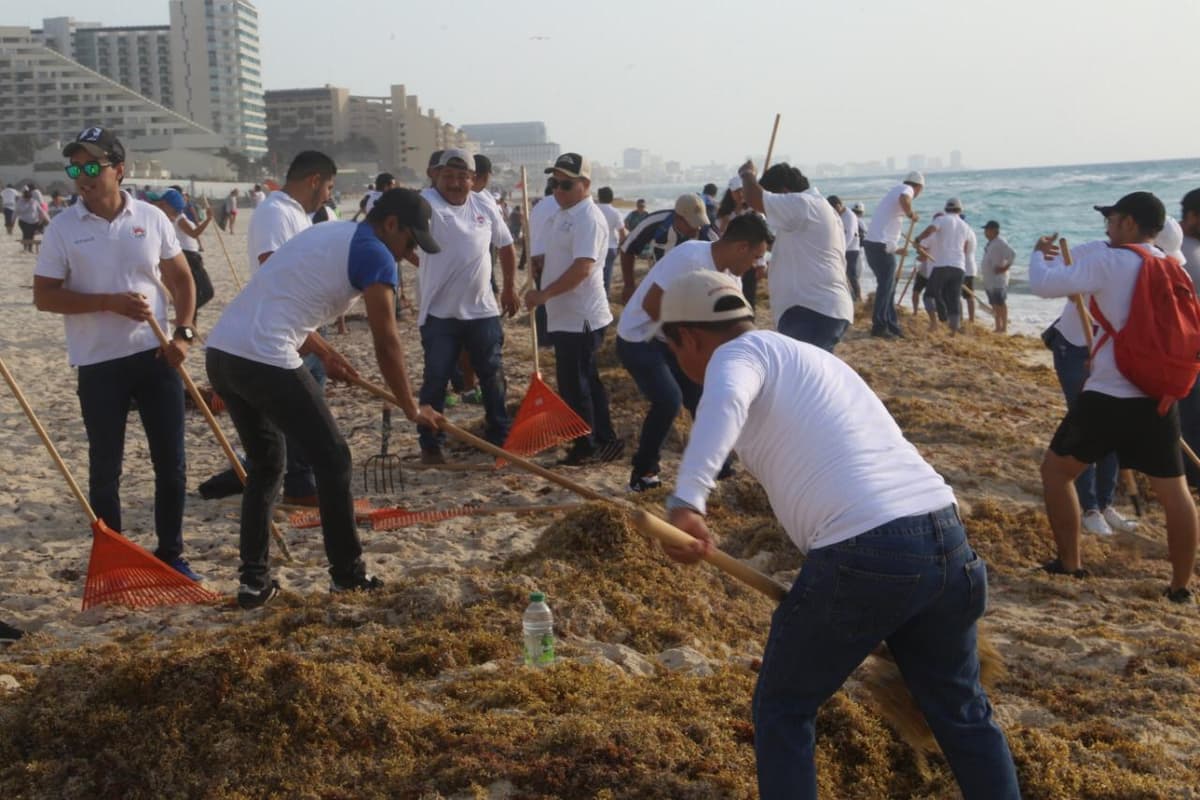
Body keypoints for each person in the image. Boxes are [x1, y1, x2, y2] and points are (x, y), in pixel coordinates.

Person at [656, 269, 1020, 800]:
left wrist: (688, 500)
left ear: (688, 337)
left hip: (866, 548)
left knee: (783, 707)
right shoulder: (814, 358)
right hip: (946, 538)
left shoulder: (736, 357)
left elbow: (726, 401)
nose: (680, 363)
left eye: (674, 349)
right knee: (961, 712)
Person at [205, 188, 443, 608]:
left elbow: (285, 296)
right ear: (391, 224)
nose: (409, 254)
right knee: (333, 458)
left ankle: (253, 583)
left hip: (223, 352)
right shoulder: (376, 253)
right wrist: (410, 406)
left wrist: (323, 351)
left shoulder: (331, 232)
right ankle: (347, 575)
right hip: (265, 354)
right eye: (410, 241)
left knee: (266, 466)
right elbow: (386, 341)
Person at [33, 126, 201, 581]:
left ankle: (171, 553)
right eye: (75, 168)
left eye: (92, 166)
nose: (82, 176)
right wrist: (107, 302)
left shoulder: (152, 217)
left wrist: (183, 335)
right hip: (97, 361)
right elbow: (45, 296)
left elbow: (183, 280)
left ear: (119, 170)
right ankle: (117, 559)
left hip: (155, 355)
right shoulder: (63, 228)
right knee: (105, 467)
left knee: (172, 463)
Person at [1029, 191, 1196, 602]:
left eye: (1112, 219)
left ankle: (1071, 564)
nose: (1107, 227)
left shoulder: (1110, 260)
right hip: (1156, 396)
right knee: (1175, 493)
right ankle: (1180, 587)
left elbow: (1044, 285)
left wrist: (1039, 253)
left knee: (1056, 473)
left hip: (1107, 396)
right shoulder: (1174, 266)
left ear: (1128, 223)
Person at [617, 214, 773, 491]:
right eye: (756, 257)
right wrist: (689, 347)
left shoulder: (730, 281)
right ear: (741, 248)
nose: (755, 266)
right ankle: (643, 473)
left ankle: (720, 467)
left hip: (675, 340)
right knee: (669, 400)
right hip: (640, 336)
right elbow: (653, 305)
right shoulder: (690, 257)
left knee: (704, 397)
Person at [243, 150, 338, 505]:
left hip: (304, 323)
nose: (328, 195)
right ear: (314, 180)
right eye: (327, 186)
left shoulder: (296, 214)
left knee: (308, 407)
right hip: (289, 328)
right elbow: (271, 265)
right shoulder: (274, 212)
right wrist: (305, 330)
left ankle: (301, 479)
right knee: (301, 409)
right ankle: (299, 484)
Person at [415, 148, 517, 463]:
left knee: (493, 374)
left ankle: (500, 437)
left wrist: (510, 288)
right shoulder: (424, 204)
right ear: (435, 175)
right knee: (436, 378)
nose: (456, 183)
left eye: (463, 177)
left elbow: (506, 245)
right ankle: (431, 445)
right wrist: (421, 267)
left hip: (483, 310)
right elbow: (399, 240)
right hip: (439, 313)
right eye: (449, 176)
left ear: (473, 179)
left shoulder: (484, 204)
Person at [525, 153, 622, 465]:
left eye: (566, 184)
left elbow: (582, 268)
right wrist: (542, 261)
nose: (559, 190)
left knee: (575, 383)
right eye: (555, 183)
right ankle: (604, 439)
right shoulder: (563, 213)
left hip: (581, 315)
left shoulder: (588, 219)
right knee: (585, 380)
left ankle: (586, 445)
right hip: (564, 314)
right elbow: (561, 255)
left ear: (585, 185)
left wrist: (544, 295)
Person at [738, 160, 854, 351]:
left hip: (811, 308)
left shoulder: (803, 204)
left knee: (804, 375)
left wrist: (747, 174)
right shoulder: (812, 210)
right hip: (818, 307)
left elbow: (754, 198)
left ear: (784, 193)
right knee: (810, 373)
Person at [619, 193, 717, 303]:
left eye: (700, 222)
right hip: (658, 285)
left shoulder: (707, 233)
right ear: (678, 218)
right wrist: (629, 286)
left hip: (693, 290)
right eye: (693, 223)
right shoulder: (655, 222)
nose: (698, 228)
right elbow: (627, 249)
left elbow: (721, 260)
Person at [863, 172, 924, 338]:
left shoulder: (895, 190)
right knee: (886, 288)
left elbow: (888, 228)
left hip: (874, 245)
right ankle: (879, 326)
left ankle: (891, 324)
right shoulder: (906, 189)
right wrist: (911, 214)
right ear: (918, 187)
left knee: (888, 287)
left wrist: (896, 249)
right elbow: (905, 199)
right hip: (878, 246)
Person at [148, 189, 214, 324]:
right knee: (202, 293)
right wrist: (208, 220)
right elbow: (194, 234)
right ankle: (185, 320)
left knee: (198, 293)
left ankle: (186, 321)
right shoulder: (179, 219)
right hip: (188, 257)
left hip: (192, 256)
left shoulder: (177, 217)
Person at [913, 198, 970, 333]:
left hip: (942, 265)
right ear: (960, 210)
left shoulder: (942, 219)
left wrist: (918, 239)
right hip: (959, 266)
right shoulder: (965, 226)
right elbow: (965, 248)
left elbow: (931, 229)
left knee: (929, 296)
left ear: (946, 209)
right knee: (954, 298)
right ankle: (953, 331)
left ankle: (934, 324)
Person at [980, 220, 1015, 333]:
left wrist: (1004, 268)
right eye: (985, 230)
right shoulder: (991, 243)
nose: (985, 232)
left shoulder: (1000, 242)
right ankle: (997, 326)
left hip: (998, 280)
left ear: (994, 231)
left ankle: (1003, 327)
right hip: (990, 280)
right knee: (994, 303)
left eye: (987, 230)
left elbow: (1012, 254)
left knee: (1000, 303)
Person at [830, 195, 862, 303]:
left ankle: (858, 298)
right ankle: (849, 296)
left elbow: (850, 235)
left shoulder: (850, 216)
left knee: (851, 274)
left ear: (838, 205)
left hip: (851, 249)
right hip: (842, 248)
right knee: (842, 274)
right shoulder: (839, 215)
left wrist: (841, 251)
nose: (833, 212)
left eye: (834, 209)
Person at [596, 186, 626, 296]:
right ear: (612, 198)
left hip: (595, 246)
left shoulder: (593, 209)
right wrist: (620, 247)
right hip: (611, 247)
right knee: (607, 275)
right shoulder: (615, 212)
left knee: (594, 275)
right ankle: (605, 298)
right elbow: (622, 233)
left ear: (599, 197)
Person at [16, 185, 50, 253]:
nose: (27, 200)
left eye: (28, 198)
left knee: (31, 234)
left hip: (34, 221)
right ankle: (25, 248)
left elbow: (41, 211)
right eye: (26, 198)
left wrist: (47, 219)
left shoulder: (34, 200)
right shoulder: (21, 201)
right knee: (26, 233)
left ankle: (30, 249)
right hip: (24, 221)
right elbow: (17, 210)